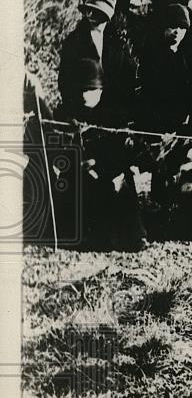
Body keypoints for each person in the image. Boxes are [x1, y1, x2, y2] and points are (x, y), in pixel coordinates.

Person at [52, 58, 145, 252]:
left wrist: (114, 171)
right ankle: (94, 238)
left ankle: (133, 236)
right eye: (85, 89)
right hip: (79, 174)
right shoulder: (64, 114)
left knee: (124, 182)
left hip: (109, 171)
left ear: (102, 90)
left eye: (95, 90)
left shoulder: (111, 115)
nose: (89, 95)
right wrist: (82, 164)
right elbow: (58, 152)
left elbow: (122, 150)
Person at [58, 0, 137, 117]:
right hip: (81, 110)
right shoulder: (74, 41)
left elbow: (126, 79)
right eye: (87, 10)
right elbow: (65, 80)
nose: (90, 15)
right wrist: (76, 107)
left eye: (95, 11)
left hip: (111, 112)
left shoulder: (117, 44)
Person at [137, 4, 192, 132]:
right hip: (156, 115)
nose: (177, 31)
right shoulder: (151, 52)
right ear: (163, 26)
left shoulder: (190, 52)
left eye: (182, 27)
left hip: (181, 116)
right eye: (173, 26)